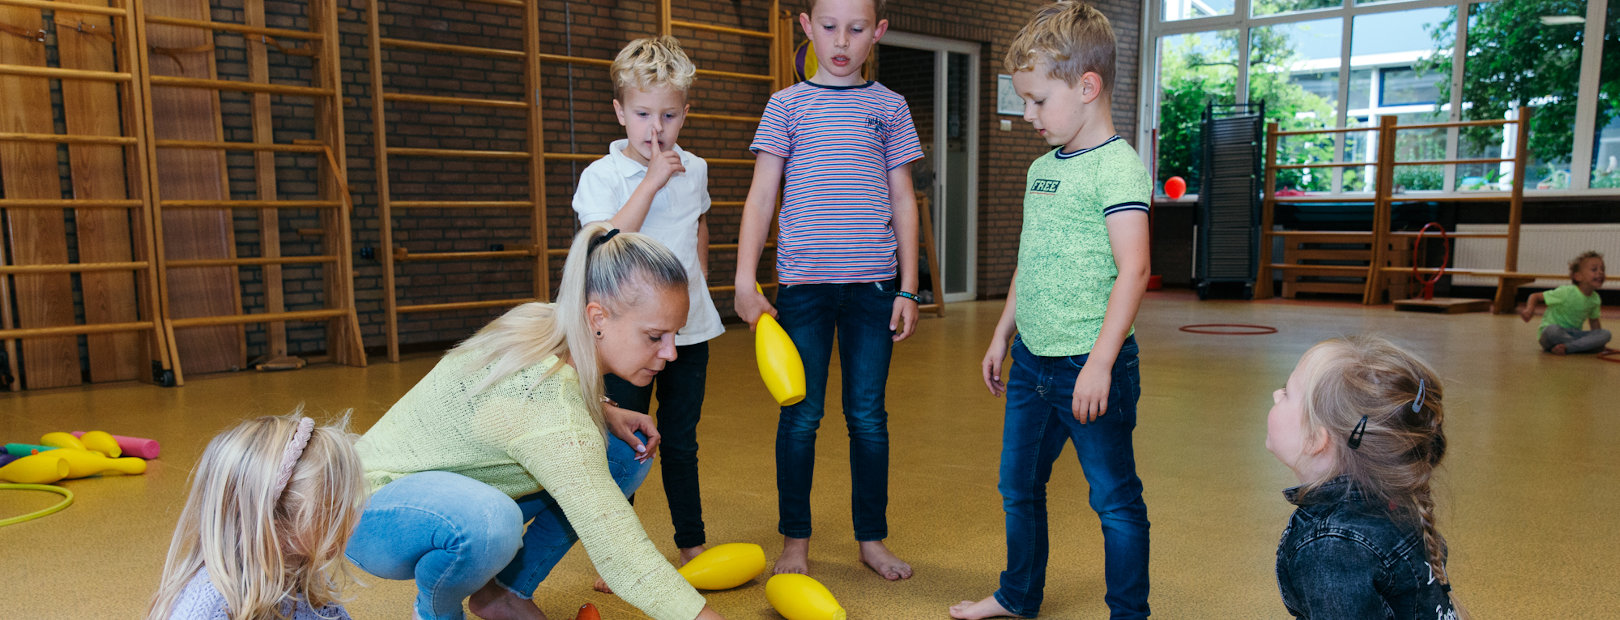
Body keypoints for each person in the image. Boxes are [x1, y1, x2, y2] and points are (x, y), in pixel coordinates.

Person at [345, 223, 725, 620]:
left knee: (622, 454)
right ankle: (435, 610)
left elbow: (510, 410)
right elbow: (623, 556)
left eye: (674, 335)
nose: (671, 353)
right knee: (491, 523)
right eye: (654, 336)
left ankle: (504, 592)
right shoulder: (551, 416)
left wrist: (604, 409)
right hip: (367, 510)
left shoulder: (546, 319)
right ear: (597, 317)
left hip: (421, 488)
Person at [951, 3, 1152, 618]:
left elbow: (1134, 270)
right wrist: (999, 335)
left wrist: (1098, 364)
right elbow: (1029, 262)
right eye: (1025, 102)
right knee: (1018, 487)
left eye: (1037, 101)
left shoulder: (1118, 167)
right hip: (1033, 364)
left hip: (1091, 369)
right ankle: (1018, 596)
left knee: (1115, 500)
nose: (1029, 115)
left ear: (1087, 87)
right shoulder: (1042, 169)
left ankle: (1129, 614)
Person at [732, 0, 924, 581]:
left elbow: (903, 199)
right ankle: (796, 542)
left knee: (867, 416)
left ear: (878, 33)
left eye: (857, 29)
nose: (842, 41)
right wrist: (745, 279)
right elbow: (762, 195)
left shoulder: (889, 107)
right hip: (804, 288)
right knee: (800, 417)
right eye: (831, 27)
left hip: (871, 287)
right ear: (807, 26)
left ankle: (872, 538)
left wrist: (909, 287)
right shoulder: (786, 105)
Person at [572, 35, 724, 569]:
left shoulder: (697, 169)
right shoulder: (603, 176)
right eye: (642, 114)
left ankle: (692, 544)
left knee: (681, 441)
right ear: (619, 111)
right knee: (624, 445)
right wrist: (653, 182)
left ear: (686, 112)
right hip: (624, 339)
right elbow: (604, 243)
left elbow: (697, 226)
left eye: (669, 116)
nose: (655, 130)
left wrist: (698, 284)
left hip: (689, 332)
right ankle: (621, 557)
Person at [1265, 336, 1465, 619]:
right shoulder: (1391, 502)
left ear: (1316, 440)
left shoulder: (1333, 548)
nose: (1276, 394)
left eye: (1287, 393)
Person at [147, 412, 365, 620]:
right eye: (334, 511)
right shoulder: (209, 606)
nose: (353, 519)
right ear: (274, 526)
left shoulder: (306, 580)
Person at [1520, 250, 1609, 355]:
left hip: (1573, 334)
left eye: (1602, 269)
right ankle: (1581, 346)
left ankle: (1568, 347)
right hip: (1554, 333)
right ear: (1578, 276)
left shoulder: (1595, 299)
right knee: (1552, 331)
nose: (1600, 272)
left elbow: (1594, 322)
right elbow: (1535, 296)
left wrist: (1598, 341)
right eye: (1594, 269)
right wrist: (1529, 310)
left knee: (1605, 334)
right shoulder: (1566, 292)